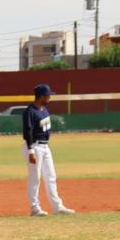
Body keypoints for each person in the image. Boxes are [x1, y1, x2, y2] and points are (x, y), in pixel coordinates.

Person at [23, 84, 74, 216]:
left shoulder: (44, 110)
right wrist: (30, 151)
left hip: (45, 147)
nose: (50, 97)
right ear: (40, 96)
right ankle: (35, 208)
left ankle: (57, 207)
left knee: (51, 176)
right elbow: (27, 131)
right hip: (34, 146)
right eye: (48, 95)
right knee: (35, 178)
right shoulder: (30, 111)